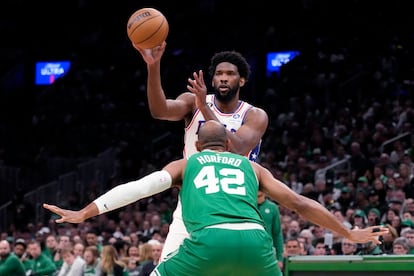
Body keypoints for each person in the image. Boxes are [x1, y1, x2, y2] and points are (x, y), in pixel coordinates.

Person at [44, 121, 388, 276]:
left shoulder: (188, 163)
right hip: (256, 243)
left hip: (209, 240)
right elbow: (300, 203)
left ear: (198, 143)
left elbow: (139, 188)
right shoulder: (253, 169)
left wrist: (85, 213)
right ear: (227, 145)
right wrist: (348, 233)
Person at [135, 43, 269, 260]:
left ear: (242, 80)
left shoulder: (254, 115)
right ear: (212, 80)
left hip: (236, 204)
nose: (223, 78)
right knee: (167, 268)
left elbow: (238, 148)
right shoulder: (193, 102)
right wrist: (153, 65)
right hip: (194, 199)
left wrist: (205, 109)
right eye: (219, 74)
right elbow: (159, 111)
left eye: (230, 74)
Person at [257, 190, 284, 269]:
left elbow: (277, 233)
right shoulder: (247, 206)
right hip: (250, 250)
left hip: (268, 250)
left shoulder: (273, 207)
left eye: (261, 187)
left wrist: (280, 258)